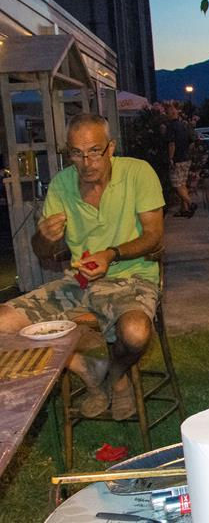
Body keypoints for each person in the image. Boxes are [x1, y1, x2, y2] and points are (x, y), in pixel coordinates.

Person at [0, 113, 165, 421]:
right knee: (2, 325)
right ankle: (86, 368)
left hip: (133, 278)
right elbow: (43, 251)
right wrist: (45, 237)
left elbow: (154, 235)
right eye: (76, 153)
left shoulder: (138, 172)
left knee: (135, 333)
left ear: (110, 147)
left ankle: (115, 377)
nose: (86, 162)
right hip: (79, 282)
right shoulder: (62, 184)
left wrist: (111, 254)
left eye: (94, 151)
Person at [167, 113, 196, 217]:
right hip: (186, 158)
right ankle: (185, 209)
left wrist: (171, 158)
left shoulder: (171, 127)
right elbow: (192, 141)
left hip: (177, 160)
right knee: (182, 184)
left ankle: (190, 203)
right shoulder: (184, 126)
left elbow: (172, 144)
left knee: (176, 184)